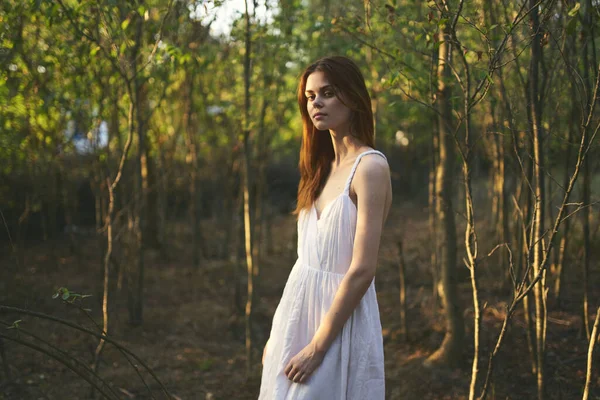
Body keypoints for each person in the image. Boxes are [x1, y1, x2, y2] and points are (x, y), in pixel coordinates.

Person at [258, 56, 392, 400]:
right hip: (296, 316)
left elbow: (362, 269)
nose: (316, 102)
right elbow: (305, 264)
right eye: (310, 95)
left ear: (352, 97)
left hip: (337, 325)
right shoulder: (320, 168)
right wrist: (279, 338)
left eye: (328, 92)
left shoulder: (369, 168)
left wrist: (317, 347)